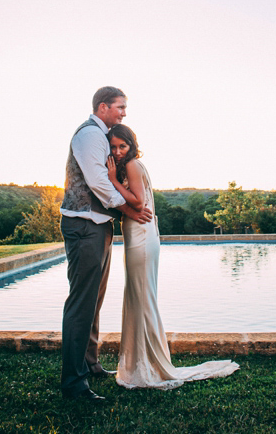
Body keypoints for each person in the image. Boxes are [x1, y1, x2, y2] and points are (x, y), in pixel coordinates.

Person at [106, 124, 239, 389]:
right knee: (140, 297)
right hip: (141, 235)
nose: (118, 152)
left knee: (141, 298)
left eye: (123, 146)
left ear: (132, 146)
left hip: (141, 238)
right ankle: (138, 364)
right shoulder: (131, 165)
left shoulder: (132, 165)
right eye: (113, 147)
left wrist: (111, 181)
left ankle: (145, 367)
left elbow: (138, 202)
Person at [60, 86, 153, 402]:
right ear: (103, 107)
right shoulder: (89, 136)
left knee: (94, 301)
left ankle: (90, 365)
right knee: (81, 303)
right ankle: (74, 383)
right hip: (84, 226)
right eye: (120, 107)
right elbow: (99, 182)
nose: (124, 112)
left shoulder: (104, 136)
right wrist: (129, 210)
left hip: (98, 227)